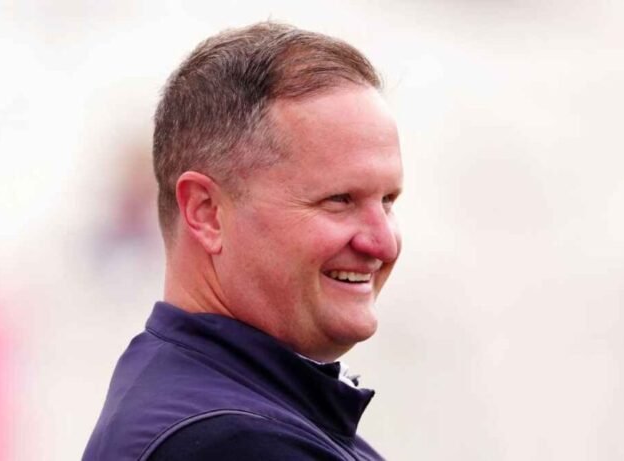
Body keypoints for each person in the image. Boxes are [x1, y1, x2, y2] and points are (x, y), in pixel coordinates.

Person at [83, 21, 402, 461]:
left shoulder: (238, 410)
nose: (383, 244)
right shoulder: (232, 441)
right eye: (339, 200)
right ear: (206, 212)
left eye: (388, 201)